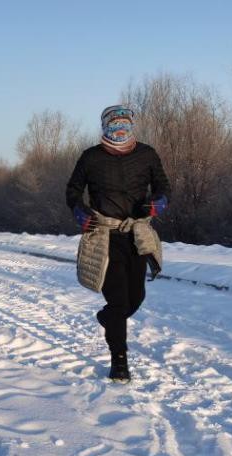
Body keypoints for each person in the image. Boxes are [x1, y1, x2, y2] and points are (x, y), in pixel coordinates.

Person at [65, 105, 171, 383]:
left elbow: (163, 186)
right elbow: (73, 191)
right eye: (114, 124)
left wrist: (159, 202)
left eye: (124, 123)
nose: (120, 129)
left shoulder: (147, 154)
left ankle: (109, 318)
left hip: (136, 234)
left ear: (132, 125)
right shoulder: (91, 157)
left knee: (135, 298)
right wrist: (80, 212)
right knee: (119, 299)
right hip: (105, 235)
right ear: (105, 127)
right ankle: (119, 362)